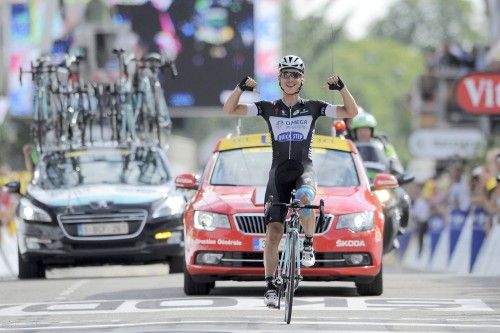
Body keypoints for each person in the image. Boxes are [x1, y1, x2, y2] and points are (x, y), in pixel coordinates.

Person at [222, 55, 358, 307]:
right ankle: (271, 287)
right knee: (273, 232)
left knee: (306, 197)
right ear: (280, 78)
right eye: (286, 74)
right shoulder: (268, 107)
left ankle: (307, 243)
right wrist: (241, 87)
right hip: (278, 174)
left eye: (295, 74)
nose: (290, 79)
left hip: (303, 169)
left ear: (302, 79)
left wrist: (341, 88)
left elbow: (352, 111)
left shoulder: (314, 107)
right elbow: (230, 110)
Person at [348, 110, 404, 176]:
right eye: (360, 130)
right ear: (354, 132)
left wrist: (396, 172)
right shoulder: (349, 146)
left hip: (381, 180)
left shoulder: (384, 145)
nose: (363, 133)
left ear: (372, 131)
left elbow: (393, 160)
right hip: (356, 180)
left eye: (366, 130)